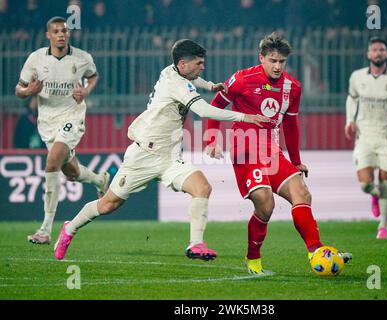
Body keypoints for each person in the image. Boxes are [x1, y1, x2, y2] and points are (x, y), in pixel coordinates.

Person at [53, 39, 269, 261]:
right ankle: (69, 229)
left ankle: (196, 244)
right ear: (183, 64)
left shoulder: (173, 71)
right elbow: (203, 111)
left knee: (202, 187)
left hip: (170, 158)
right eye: (199, 63)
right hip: (144, 155)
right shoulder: (176, 84)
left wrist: (210, 85)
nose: (202, 67)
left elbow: (194, 80)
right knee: (108, 204)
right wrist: (245, 116)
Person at [206, 32, 352, 274]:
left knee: (302, 194)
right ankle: (253, 258)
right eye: (272, 60)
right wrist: (212, 139)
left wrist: (296, 161)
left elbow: (291, 125)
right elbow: (216, 105)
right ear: (261, 58)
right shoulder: (241, 79)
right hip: (245, 149)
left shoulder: (293, 87)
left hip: (271, 151)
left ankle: (316, 251)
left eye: (281, 61)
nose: (277, 66)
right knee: (266, 204)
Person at [16, 17, 110, 245]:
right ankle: (100, 180)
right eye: (56, 31)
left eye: (64, 31)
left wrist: (86, 92)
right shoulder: (36, 59)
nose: (61, 34)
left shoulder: (82, 58)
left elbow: (94, 76)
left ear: (68, 34)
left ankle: (45, 229)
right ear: (48, 35)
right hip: (47, 122)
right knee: (71, 172)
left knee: (51, 163)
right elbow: (18, 90)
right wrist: (29, 90)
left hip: (72, 118)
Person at [345, 37, 387, 239]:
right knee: (366, 184)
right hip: (364, 136)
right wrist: (349, 120)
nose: (378, 53)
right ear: (368, 54)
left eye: (381, 49)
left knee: (385, 182)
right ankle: (374, 196)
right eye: (374, 50)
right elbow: (352, 99)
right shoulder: (357, 77)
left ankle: (383, 227)